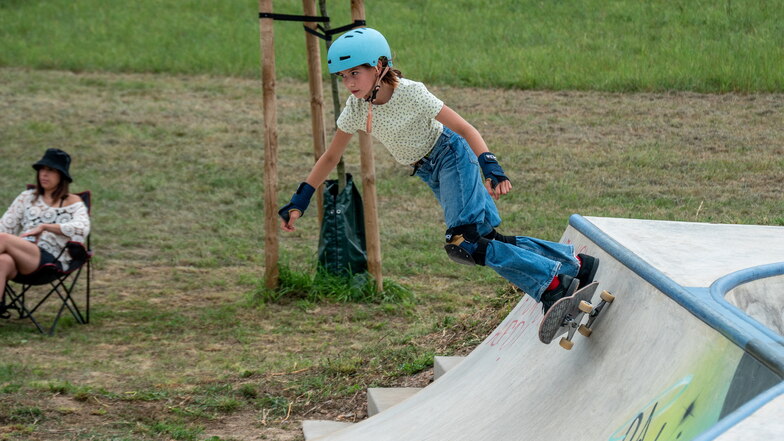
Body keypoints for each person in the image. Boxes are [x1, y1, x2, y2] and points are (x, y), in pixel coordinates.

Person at [278, 28, 598, 313]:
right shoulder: (356, 109)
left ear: (377, 66)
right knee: (485, 239)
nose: (348, 83)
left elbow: (464, 128)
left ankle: (553, 287)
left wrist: (490, 165)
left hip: (450, 154)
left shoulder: (412, 93)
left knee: (464, 242)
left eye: (354, 74)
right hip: (429, 171)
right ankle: (575, 265)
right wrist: (300, 199)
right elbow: (331, 157)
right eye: (342, 77)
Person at [0, 148, 91, 312]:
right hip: (22, 254)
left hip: (50, 261)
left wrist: (45, 227)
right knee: (3, 261)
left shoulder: (73, 202)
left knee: (3, 239)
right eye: (42, 169)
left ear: (61, 176)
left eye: (50, 170)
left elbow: (82, 228)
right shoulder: (26, 197)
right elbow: (4, 226)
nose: (44, 174)